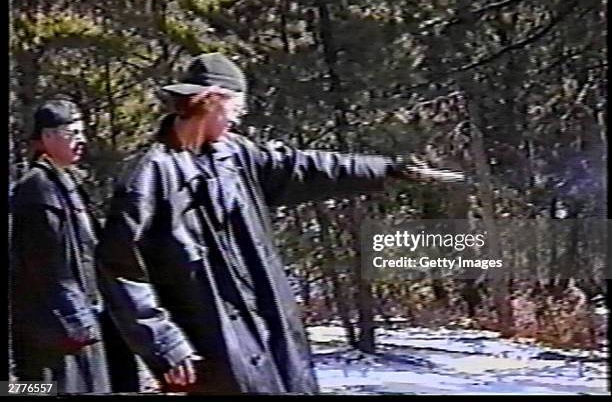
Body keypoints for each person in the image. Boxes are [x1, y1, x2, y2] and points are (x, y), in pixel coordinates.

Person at [96, 53, 464, 394]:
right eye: (234, 109)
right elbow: (119, 268)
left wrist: (387, 169)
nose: (238, 119)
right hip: (211, 348)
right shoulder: (150, 175)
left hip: (272, 336)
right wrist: (164, 343)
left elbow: (309, 168)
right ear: (211, 101)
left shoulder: (237, 156)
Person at [9, 99, 138, 394]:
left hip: (83, 322)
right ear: (46, 138)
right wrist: (78, 320)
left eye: (82, 133)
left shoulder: (67, 184)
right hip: (54, 331)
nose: (81, 141)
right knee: (36, 390)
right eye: (72, 133)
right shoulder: (37, 188)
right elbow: (48, 267)